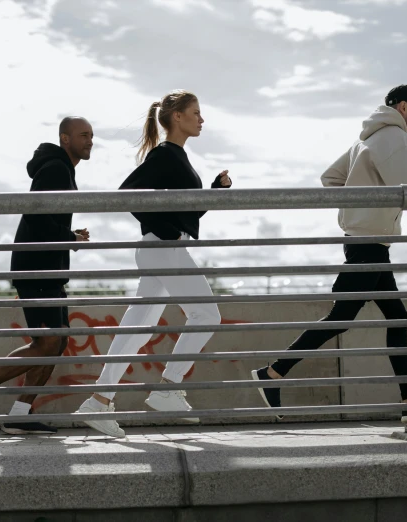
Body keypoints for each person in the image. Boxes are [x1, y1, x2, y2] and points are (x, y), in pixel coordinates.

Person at [252, 85, 407, 424]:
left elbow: (331, 178)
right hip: (369, 242)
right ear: (402, 106)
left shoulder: (364, 141)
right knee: (342, 317)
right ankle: (273, 372)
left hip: (367, 240)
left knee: (396, 318)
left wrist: (359, 207)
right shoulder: (395, 137)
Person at [76, 90, 232, 438]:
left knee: (139, 326)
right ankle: (166, 389)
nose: (201, 119)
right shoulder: (165, 155)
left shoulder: (176, 157)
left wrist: (212, 191)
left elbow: (183, 212)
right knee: (206, 314)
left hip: (160, 248)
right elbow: (128, 194)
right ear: (177, 117)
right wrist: (164, 230)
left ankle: (99, 401)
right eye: (196, 112)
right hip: (162, 249)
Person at [0, 116, 93, 435]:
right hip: (37, 269)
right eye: (83, 135)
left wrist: (68, 235)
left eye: (92, 135)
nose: (90, 140)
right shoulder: (56, 169)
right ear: (65, 138)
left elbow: (45, 220)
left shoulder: (62, 168)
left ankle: (20, 413)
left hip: (47, 269)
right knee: (47, 341)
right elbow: (37, 220)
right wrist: (70, 238)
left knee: (55, 343)